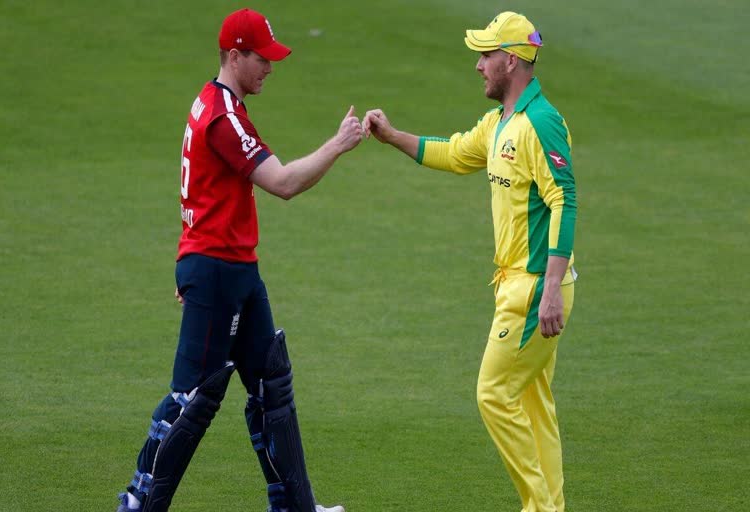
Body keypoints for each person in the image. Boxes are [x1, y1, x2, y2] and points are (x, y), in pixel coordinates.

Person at [116, 8, 362, 512]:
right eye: (262, 59)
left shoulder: (211, 103)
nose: (270, 68)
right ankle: (138, 505)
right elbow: (284, 183)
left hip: (231, 268)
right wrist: (338, 144)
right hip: (217, 269)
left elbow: (201, 192)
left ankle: (296, 507)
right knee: (192, 400)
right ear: (234, 55)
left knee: (271, 381)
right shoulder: (223, 117)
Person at [363, 11, 577, 512]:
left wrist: (548, 288)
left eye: (485, 55)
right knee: (533, 403)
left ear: (510, 59)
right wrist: (393, 137)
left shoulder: (539, 122)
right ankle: (553, 506)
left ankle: (541, 507)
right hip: (520, 283)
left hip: (532, 286)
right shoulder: (502, 122)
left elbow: (564, 198)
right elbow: (457, 152)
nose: (479, 65)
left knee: (493, 394)